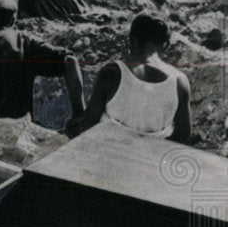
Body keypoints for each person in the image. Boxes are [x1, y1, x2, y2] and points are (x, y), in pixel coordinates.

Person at [66, 13, 191, 142]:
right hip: (150, 159)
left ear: (132, 40)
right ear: (165, 45)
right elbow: (183, 134)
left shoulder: (113, 72)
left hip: (108, 155)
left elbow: (88, 124)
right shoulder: (180, 81)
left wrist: (74, 121)